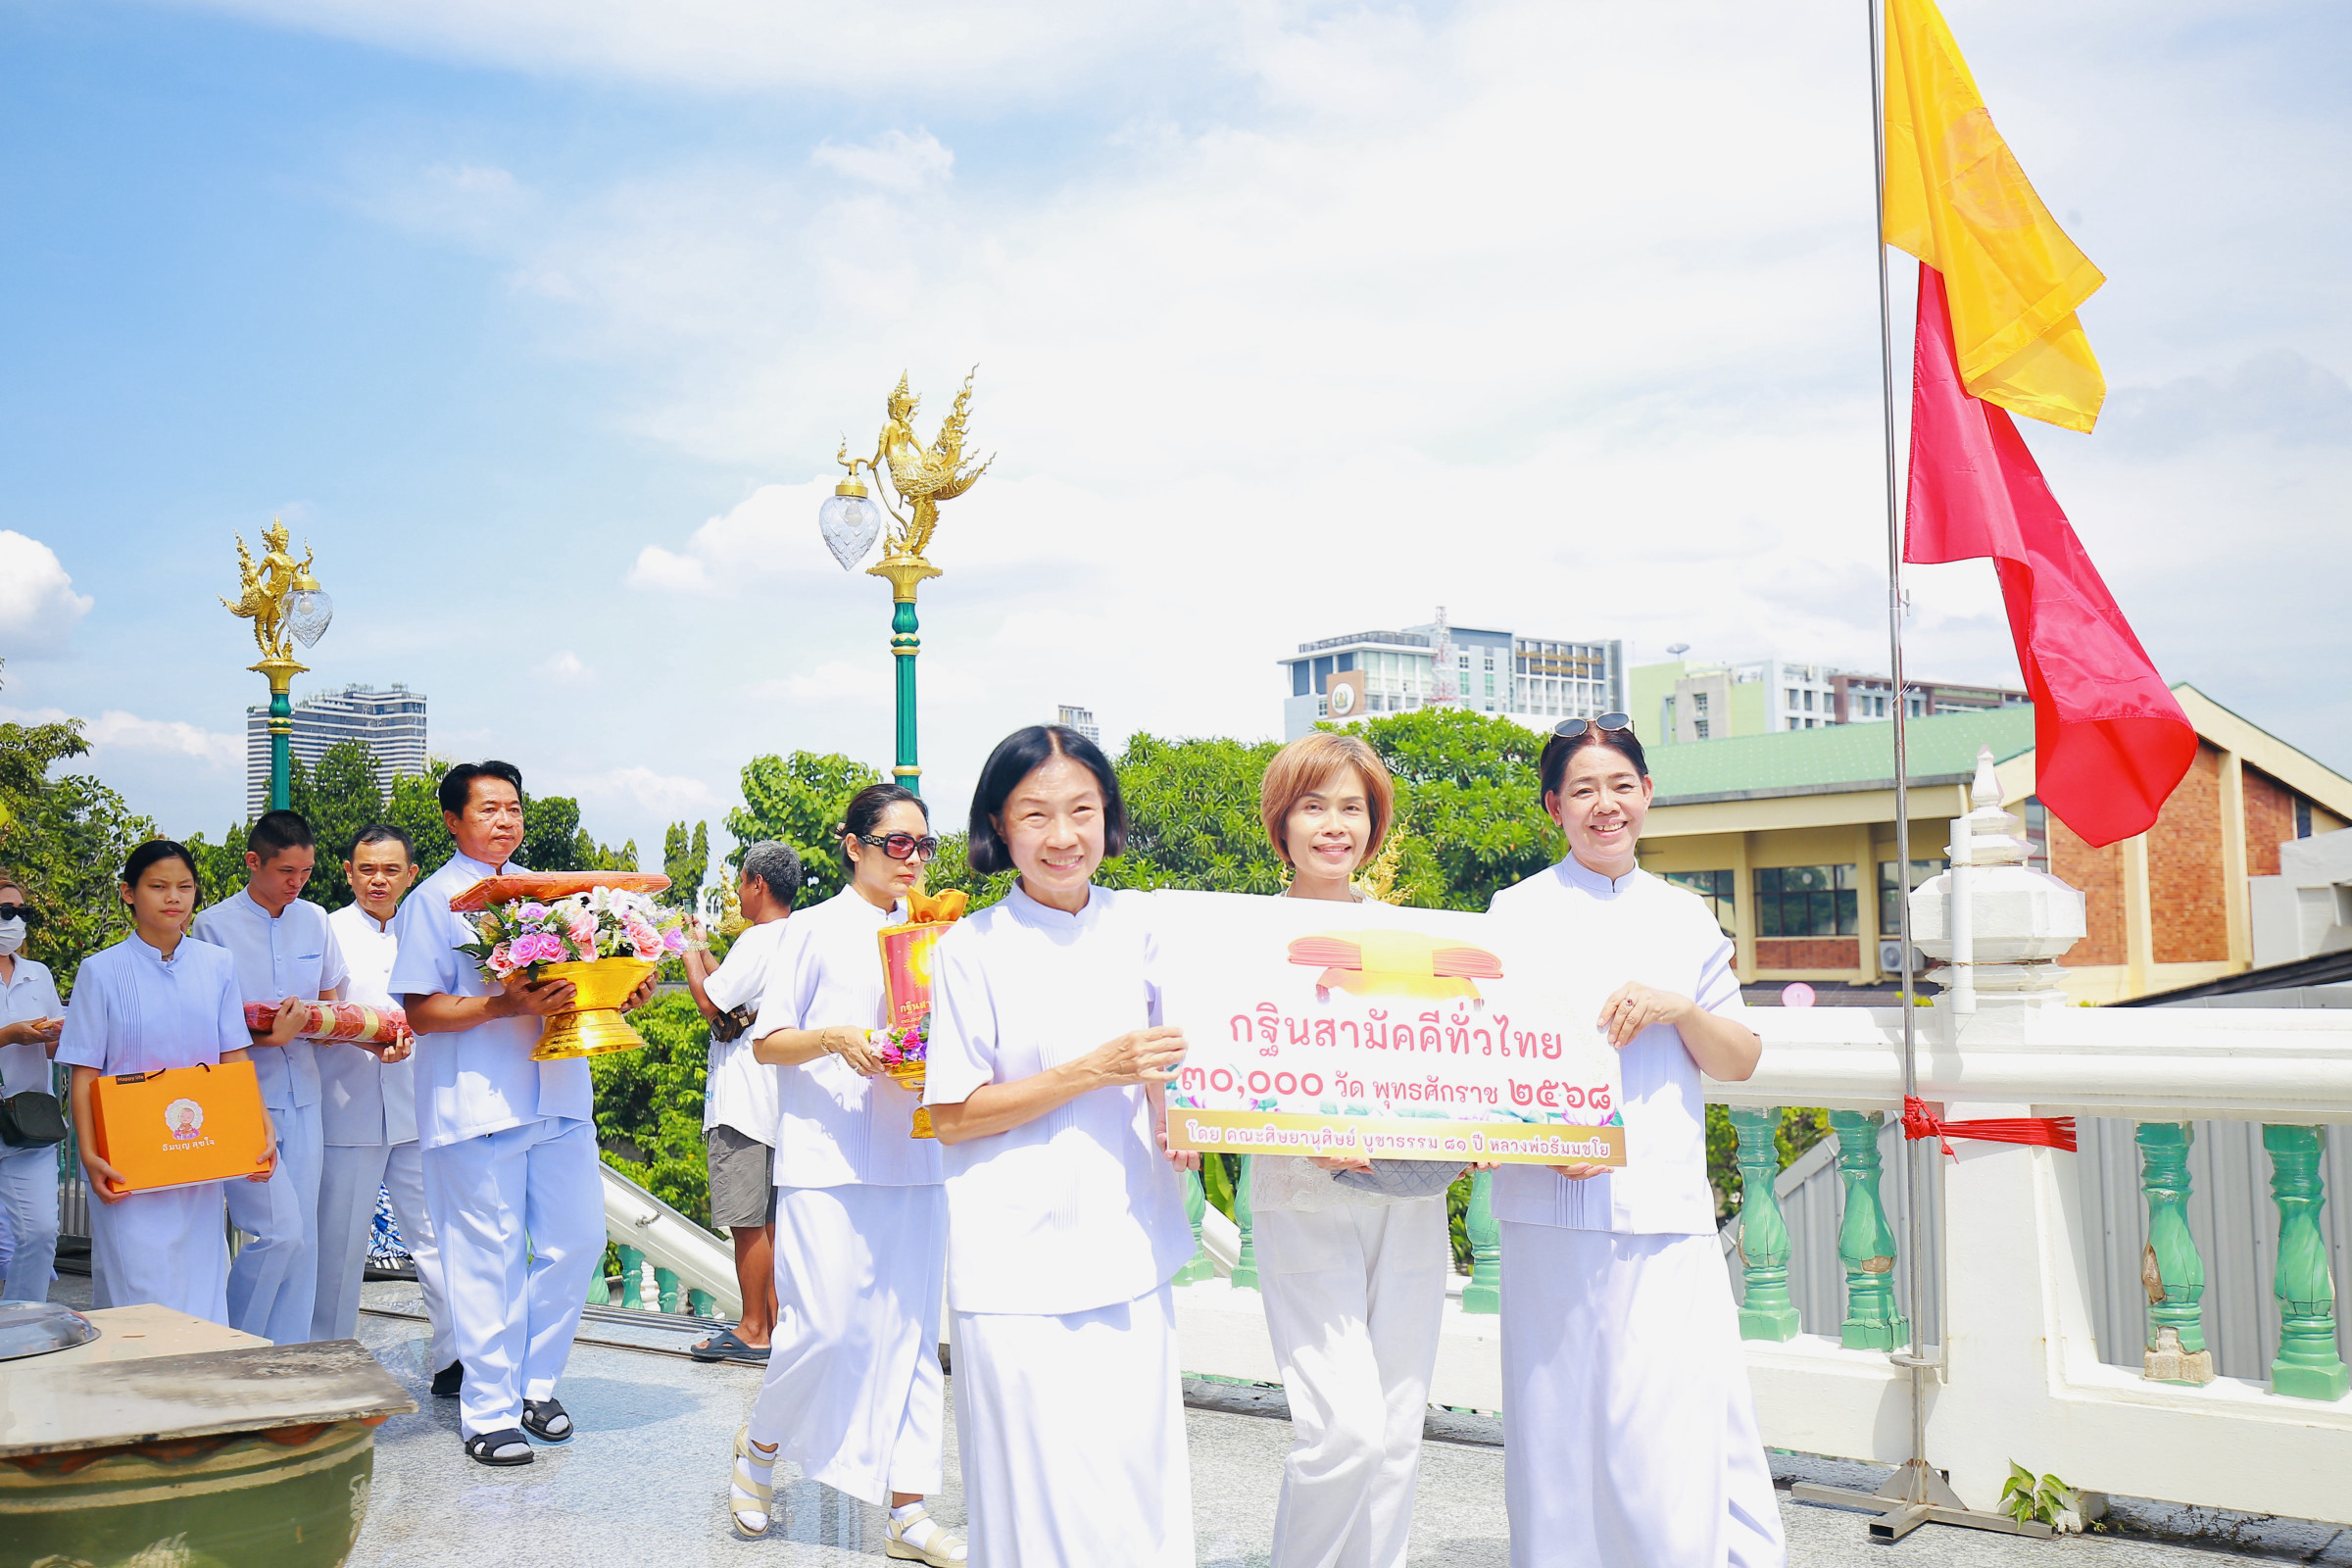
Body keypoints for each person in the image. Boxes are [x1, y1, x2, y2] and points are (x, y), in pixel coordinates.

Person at [1487, 715, 1783, 1568]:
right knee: (1555, 1426)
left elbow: (1741, 1060)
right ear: (1554, 807)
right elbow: (1488, 1058)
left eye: (1620, 786)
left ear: (1647, 794)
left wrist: (1680, 1007)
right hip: (1551, 1209)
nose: (1604, 805)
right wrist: (1542, 1141)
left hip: (1664, 1207)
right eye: (1582, 790)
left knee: (1667, 1431)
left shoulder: (1685, 917)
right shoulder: (1516, 913)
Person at [924, 725, 1197, 1568]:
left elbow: (1184, 1054)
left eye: (1082, 810)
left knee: (1135, 1493)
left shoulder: (1147, 927)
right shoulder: (971, 948)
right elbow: (955, 1115)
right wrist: (1091, 1071)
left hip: (1129, 1248)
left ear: (1107, 819)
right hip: (1013, 1265)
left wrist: (1176, 1111)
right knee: (1032, 1504)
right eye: (1034, 814)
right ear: (999, 827)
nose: (1062, 836)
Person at [723, 793, 956, 1558]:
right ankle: (760, 1453)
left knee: (915, 1339)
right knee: (820, 1326)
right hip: (824, 1155)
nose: (914, 859)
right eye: (898, 843)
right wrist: (833, 1036)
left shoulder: (940, 934)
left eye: (925, 845)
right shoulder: (809, 930)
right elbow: (768, 1042)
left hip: (916, 1155)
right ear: (852, 846)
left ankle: (909, 1512)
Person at [393, 760, 643, 1467]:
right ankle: (490, 1413)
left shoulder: (552, 900)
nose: (505, 820)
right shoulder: (433, 901)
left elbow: (582, 986)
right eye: (489, 809)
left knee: (577, 1242)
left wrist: (620, 988)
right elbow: (419, 1010)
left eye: (513, 808)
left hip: (559, 1093)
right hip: (476, 1102)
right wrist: (504, 1006)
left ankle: (535, 1385)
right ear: (452, 819)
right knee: (488, 1261)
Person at [1249, 732, 1452, 1568]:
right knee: (1344, 1431)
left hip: (1408, 1196)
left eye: (1353, 809)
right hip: (1302, 1195)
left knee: (1398, 1431)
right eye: (1313, 806)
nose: (1335, 826)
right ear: (1281, 822)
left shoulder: (1412, 937)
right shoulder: (1244, 936)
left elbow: (1454, 1060)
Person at [57, 841, 276, 1322]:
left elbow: (233, 1056)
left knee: (202, 1281)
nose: (173, 897)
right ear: (129, 893)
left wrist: (261, 1130)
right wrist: (91, 1155)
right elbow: (84, 1072)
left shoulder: (216, 965)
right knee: (136, 1288)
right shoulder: (101, 972)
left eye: (184, 887)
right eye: (158, 886)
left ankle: (199, 1391)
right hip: (128, 1159)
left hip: (199, 1153)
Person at [191, 808, 349, 1345]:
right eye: (286, 872)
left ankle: (289, 1354)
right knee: (276, 1232)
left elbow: (333, 1003)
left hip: (304, 1093)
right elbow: (204, 1024)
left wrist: (330, 1026)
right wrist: (269, 1037)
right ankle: (239, 1343)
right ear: (253, 862)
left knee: (302, 1240)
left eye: (305, 873)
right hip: (240, 1098)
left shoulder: (316, 919)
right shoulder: (213, 925)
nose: (296, 884)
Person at [313, 825, 452, 1382]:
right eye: (367, 869)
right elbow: (311, 1016)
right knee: (340, 1245)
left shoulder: (431, 929)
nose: (379, 880)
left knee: (438, 1239)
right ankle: (328, 1359)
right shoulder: (325, 930)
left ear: (410, 874)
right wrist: (367, 1035)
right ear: (348, 872)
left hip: (420, 1104)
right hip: (348, 1106)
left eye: (391, 870)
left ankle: (457, 1358)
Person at [679, 840, 801, 1365]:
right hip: (780, 1099)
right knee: (772, 1221)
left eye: (742, 882)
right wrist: (704, 948)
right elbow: (732, 987)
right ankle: (773, 1323)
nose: (739, 892)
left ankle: (753, 1328)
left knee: (746, 1222)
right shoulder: (799, 934)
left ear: (758, 884)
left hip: (744, 1101)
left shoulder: (758, 939)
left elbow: (710, 999)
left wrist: (684, 949)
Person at [0, 870, 65, 1303]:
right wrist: (8, 1035)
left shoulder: (37, 974)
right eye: (7, 911)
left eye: (21, 912)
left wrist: (52, 1036)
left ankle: (22, 1326)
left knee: (40, 1232)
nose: (15, 921)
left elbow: (52, 1050)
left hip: (28, 1125)